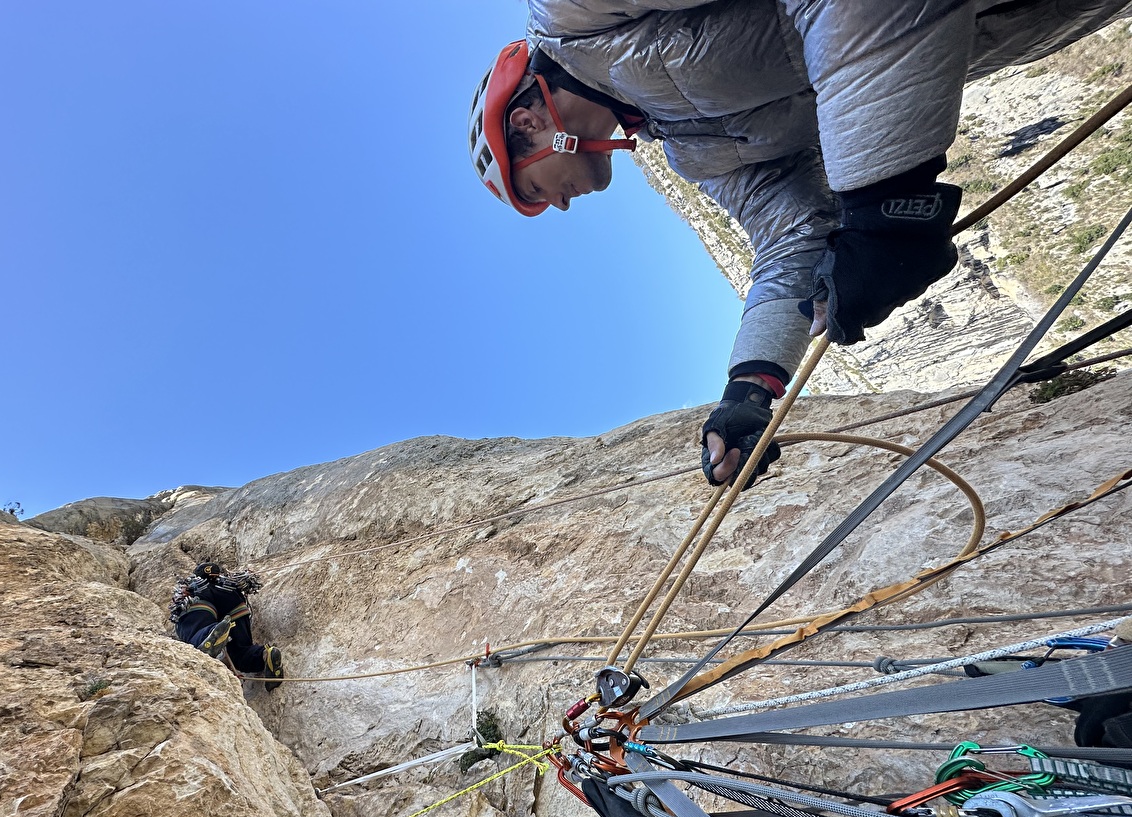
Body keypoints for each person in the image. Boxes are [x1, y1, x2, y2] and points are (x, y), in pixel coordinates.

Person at [469, 1, 1132, 487]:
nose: (556, 205)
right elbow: (791, 237)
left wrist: (884, 187)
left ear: (527, 124)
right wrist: (749, 389)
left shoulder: (579, 15)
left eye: (534, 191)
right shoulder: (693, 150)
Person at [170, 561, 283, 687]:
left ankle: (210, 635)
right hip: (235, 602)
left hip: (199, 598)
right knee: (240, 653)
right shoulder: (228, 583)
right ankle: (264, 654)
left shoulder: (191, 586)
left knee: (194, 632)